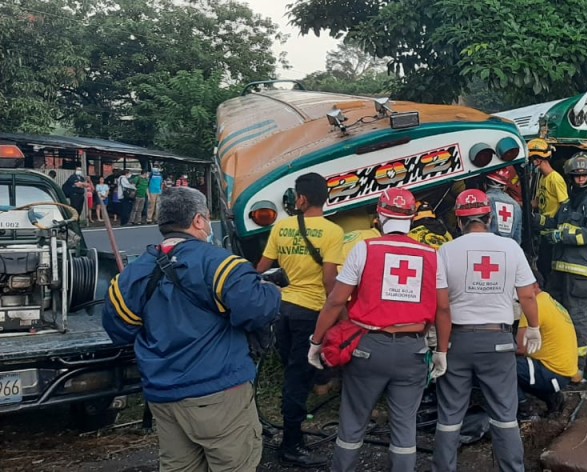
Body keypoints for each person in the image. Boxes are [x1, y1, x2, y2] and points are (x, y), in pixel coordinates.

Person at [101, 187, 281, 471]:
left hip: (163, 396)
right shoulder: (219, 264)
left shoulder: (131, 275)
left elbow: (119, 329)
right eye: (207, 218)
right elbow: (257, 310)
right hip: (218, 392)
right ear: (198, 220)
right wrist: (271, 290)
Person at [308, 187, 442, 472]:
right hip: (413, 350)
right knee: (405, 427)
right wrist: (441, 350)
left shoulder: (365, 249)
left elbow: (335, 300)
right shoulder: (432, 255)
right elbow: (443, 308)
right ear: (413, 217)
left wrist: (317, 341)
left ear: (379, 216)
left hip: (368, 347)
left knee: (353, 422)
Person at [432, 189, 542, 472]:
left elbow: (440, 304)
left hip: (458, 341)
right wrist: (534, 327)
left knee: (449, 415)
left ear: (459, 221)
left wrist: (440, 349)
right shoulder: (510, 249)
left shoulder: (446, 251)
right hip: (498, 341)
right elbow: (528, 295)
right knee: (505, 414)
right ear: (489, 217)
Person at [255, 173, 343, 467]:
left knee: (295, 372)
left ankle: (294, 432)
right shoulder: (333, 232)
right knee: (297, 377)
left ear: (301, 199)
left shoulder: (282, 227)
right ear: (325, 198)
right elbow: (330, 280)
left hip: (283, 310)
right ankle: (290, 445)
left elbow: (262, 268)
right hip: (312, 313)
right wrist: (339, 313)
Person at [545, 152, 587, 373]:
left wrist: (561, 236)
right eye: (576, 176)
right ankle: (556, 361)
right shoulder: (570, 202)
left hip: (583, 274)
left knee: (576, 319)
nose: (580, 179)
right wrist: (538, 221)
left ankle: (577, 368)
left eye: (585, 176)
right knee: (556, 317)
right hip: (561, 272)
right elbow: (556, 222)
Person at [516, 283, 577, 419]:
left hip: (551, 372)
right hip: (564, 373)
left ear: (534, 286)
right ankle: (552, 398)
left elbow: (521, 348)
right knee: (521, 368)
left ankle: (525, 410)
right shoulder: (551, 302)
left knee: (501, 368)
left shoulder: (533, 305)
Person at [529, 138, 568, 280]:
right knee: (541, 264)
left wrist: (557, 224)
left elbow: (565, 204)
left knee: (547, 266)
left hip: (552, 229)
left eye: (533, 159)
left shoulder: (555, 179)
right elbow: (538, 202)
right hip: (543, 229)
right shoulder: (543, 178)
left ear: (538, 160)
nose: (532, 163)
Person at [486, 166, 523, 244]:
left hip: (488, 250)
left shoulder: (484, 201)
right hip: (508, 252)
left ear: (486, 183)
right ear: (505, 186)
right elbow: (517, 239)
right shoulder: (516, 205)